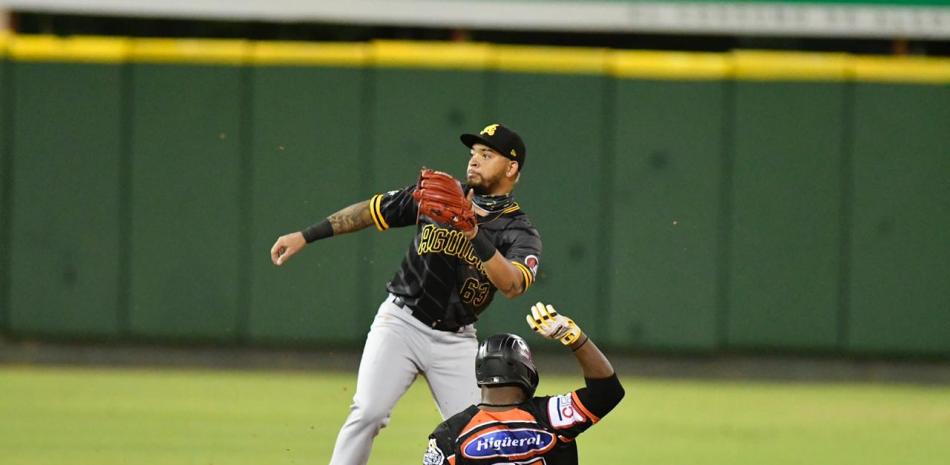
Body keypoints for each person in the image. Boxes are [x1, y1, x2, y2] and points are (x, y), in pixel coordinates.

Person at [270, 123, 542, 465]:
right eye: (473, 154)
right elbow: (371, 211)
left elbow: (513, 285)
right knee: (368, 412)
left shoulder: (519, 230)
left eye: (487, 155)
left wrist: (473, 232)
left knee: (480, 429)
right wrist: (306, 236)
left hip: (455, 340)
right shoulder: (441, 195)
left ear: (511, 167)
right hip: (401, 322)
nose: (474, 161)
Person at [423, 302, 624, 465]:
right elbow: (608, 392)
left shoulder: (449, 434)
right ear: (526, 372)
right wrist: (574, 337)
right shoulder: (552, 416)